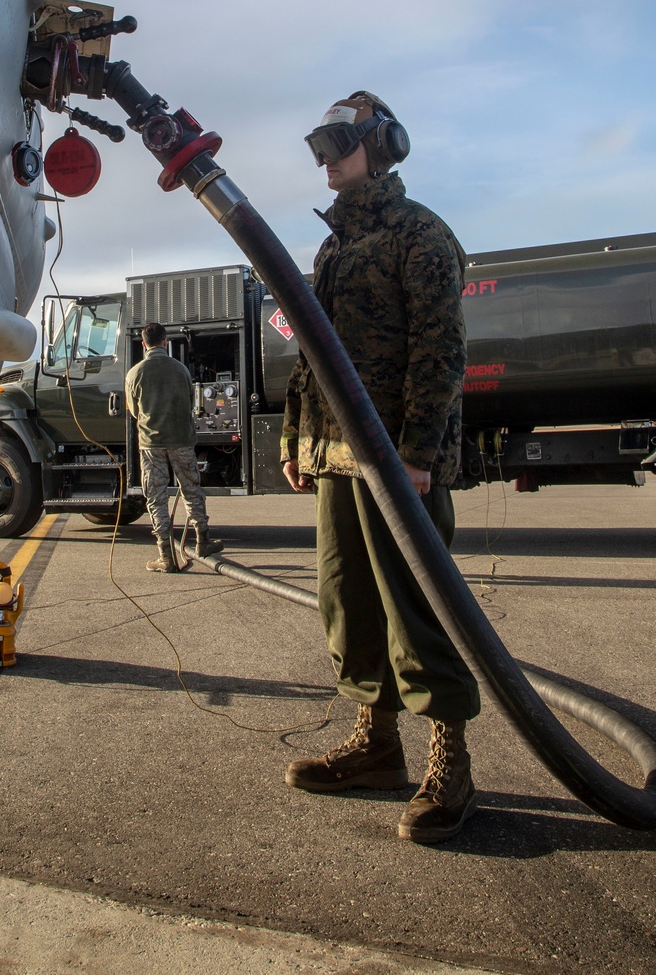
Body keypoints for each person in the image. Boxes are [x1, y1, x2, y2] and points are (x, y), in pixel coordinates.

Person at [281, 92, 480, 844]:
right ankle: (375, 745)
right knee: (348, 602)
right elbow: (314, 355)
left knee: (418, 610)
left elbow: (441, 351)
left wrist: (420, 454)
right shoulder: (332, 247)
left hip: (398, 462)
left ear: (381, 144)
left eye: (337, 140)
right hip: (336, 457)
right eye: (318, 143)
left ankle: (450, 765)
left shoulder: (420, 234)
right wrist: (299, 439)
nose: (324, 156)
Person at [125, 322, 224, 572]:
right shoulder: (180, 370)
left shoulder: (134, 374)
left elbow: (135, 412)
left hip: (151, 443)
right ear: (165, 342)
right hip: (181, 440)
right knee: (191, 489)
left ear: (143, 343)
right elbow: (191, 402)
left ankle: (166, 556)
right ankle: (203, 541)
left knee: (156, 498)